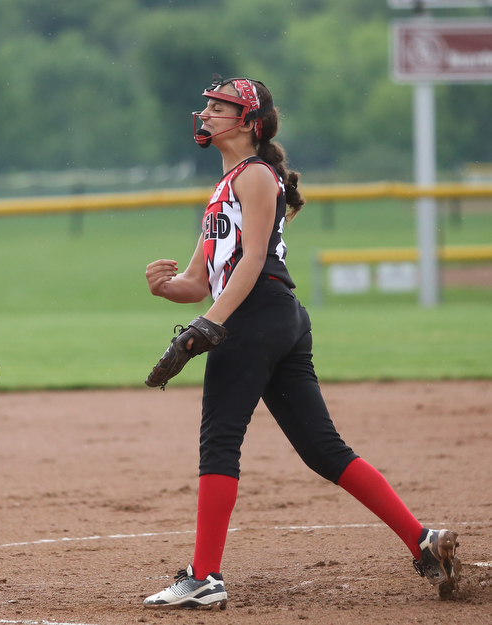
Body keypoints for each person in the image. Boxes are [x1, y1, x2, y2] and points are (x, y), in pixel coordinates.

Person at [143, 74, 460, 610]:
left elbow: (255, 258)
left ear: (249, 123)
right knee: (322, 449)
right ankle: (422, 540)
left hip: (255, 316)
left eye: (219, 108)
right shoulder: (226, 187)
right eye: (208, 107)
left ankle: (204, 577)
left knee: (219, 443)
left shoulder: (257, 176)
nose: (207, 115)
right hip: (273, 318)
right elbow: (201, 280)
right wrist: (167, 288)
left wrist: (211, 324)